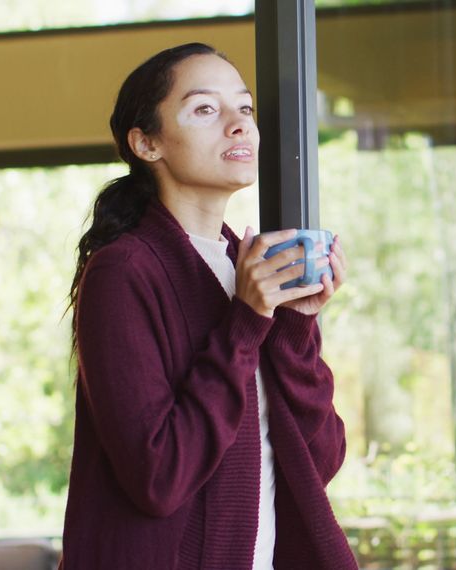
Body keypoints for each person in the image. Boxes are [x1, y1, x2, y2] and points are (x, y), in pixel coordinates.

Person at [60, 42, 357, 570]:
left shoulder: (245, 272)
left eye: (244, 107)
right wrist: (245, 324)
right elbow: (158, 477)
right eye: (205, 109)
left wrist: (295, 328)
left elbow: (318, 461)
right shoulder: (124, 272)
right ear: (146, 143)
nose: (238, 124)